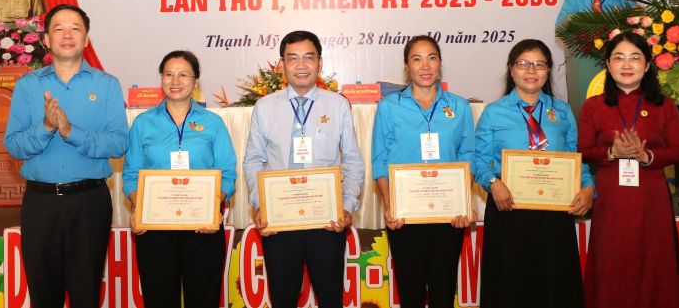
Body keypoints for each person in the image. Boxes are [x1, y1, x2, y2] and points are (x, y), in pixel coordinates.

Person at [4, 4, 128, 308]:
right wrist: (46, 126)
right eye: (59, 28)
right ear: (47, 39)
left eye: (76, 28)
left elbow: (118, 144)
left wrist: (71, 131)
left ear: (86, 39)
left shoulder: (107, 84)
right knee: (44, 293)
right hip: (40, 203)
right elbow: (15, 145)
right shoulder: (28, 85)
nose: (67, 35)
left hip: (89, 201)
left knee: (86, 291)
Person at [243, 30, 365, 308]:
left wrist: (346, 208)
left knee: (331, 297)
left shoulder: (338, 105)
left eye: (308, 58)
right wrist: (261, 205)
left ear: (320, 63)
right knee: (283, 298)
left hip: (326, 221)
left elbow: (354, 161)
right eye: (293, 58)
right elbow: (253, 160)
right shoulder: (264, 107)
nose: (301, 65)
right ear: (282, 64)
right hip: (279, 221)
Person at [473, 39, 594, 308]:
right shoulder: (494, 113)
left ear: (548, 70)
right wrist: (493, 183)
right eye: (523, 63)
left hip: (554, 214)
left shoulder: (562, 111)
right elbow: (478, 159)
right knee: (510, 286)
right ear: (512, 69)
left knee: (554, 285)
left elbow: (577, 158)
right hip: (509, 212)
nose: (531, 70)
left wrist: (588, 187)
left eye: (539, 64)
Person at [578, 31, 679, 308]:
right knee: (612, 259)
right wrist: (612, 152)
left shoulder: (664, 105)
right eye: (619, 58)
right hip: (611, 197)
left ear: (648, 65)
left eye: (635, 58)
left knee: (655, 259)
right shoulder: (593, 106)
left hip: (652, 198)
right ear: (607, 64)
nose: (627, 65)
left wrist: (647, 155)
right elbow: (581, 150)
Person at [123, 50, 237, 308]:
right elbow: (131, 175)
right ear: (161, 80)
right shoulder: (143, 123)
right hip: (155, 231)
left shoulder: (213, 123)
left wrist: (213, 206)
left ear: (196, 81)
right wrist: (139, 208)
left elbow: (228, 173)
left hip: (202, 229)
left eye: (184, 74)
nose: (176, 81)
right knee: (159, 299)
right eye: (169, 74)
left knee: (203, 300)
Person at [370, 35, 476, 308]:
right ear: (407, 67)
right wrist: (390, 205)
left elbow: (468, 156)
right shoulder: (388, 108)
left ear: (440, 63)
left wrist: (463, 202)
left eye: (432, 58)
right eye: (417, 59)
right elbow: (380, 160)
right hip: (405, 216)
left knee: (443, 292)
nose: (425, 66)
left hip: (448, 215)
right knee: (410, 293)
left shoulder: (460, 107)